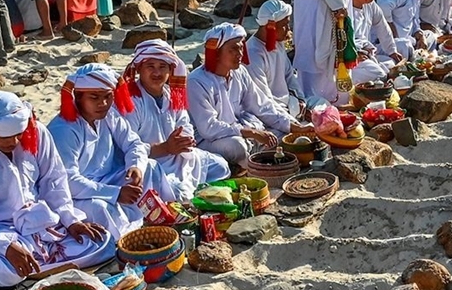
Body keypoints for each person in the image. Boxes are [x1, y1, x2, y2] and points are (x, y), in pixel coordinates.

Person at [0, 91, 108, 289]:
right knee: (7, 271)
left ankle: (39, 270)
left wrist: (70, 220)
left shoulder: (37, 133)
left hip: (40, 221)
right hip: (0, 230)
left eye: (18, 134)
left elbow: (54, 180)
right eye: (5, 137)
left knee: (98, 242)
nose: (14, 142)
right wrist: (6, 247)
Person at [115, 40, 227, 202]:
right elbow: (127, 148)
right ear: (139, 68)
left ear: (170, 70)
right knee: (179, 193)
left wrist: (184, 142)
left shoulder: (171, 95)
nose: (157, 73)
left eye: (162, 67)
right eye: (150, 66)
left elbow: (185, 125)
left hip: (179, 157)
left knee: (220, 166)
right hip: (150, 164)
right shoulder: (131, 101)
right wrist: (165, 147)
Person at [50, 64, 147, 240]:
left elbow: (134, 143)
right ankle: (125, 241)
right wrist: (115, 193)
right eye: (94, 97)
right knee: (99, 207)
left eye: (108, 97)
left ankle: (154, 218)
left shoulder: (109, 115)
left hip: (108, 180)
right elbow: (69, 181)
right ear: (78, 98)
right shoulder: (64, 129)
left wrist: (135, 166)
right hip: (78, 194)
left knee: (151, 168)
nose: (103, 104)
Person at [187, 24, 295, 166]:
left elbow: (261, 105)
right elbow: (209, 128)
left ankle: (251, 161)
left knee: (280, 134)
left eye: (241, 47)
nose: (240, 54)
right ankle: (249, 166)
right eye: (233, 49)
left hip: (243, 130)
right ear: (217, 52)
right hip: (211, 140)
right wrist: (251, 133)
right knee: (237, 146)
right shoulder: (196, 82)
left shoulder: (240, 72)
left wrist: (292, 125)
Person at [246, 0, 300, 110]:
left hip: (289, 103)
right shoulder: (253, 54)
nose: (289, 29)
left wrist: (300, 100)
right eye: (285, 25)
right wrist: (290, 114)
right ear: (271, 27)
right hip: (271, 110)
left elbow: (289, 75)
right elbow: (262, 99)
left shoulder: (278, 43)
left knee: (321, 103)